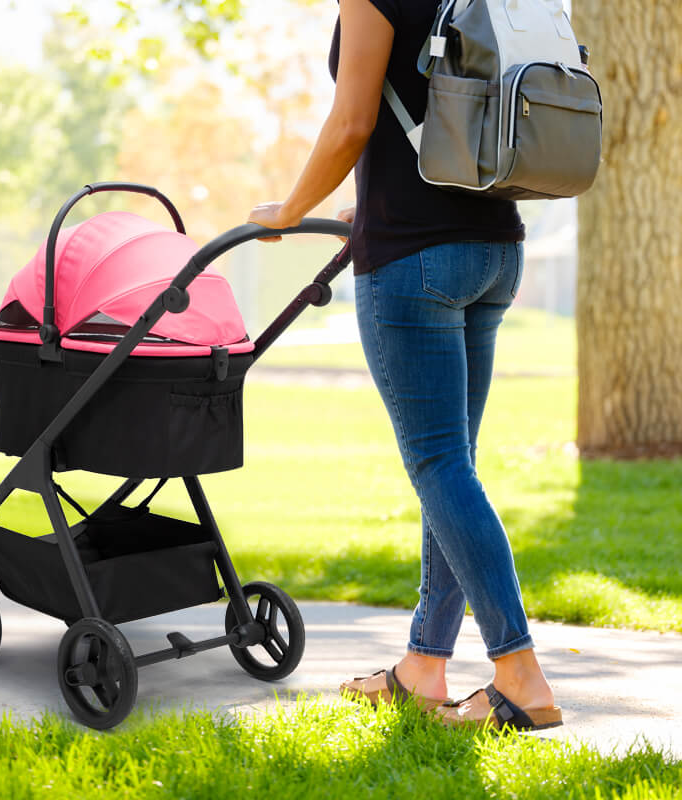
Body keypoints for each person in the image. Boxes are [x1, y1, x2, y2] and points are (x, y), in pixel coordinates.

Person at [246, 0, 562, 731]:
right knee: (454, 466)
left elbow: (353, 123)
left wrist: (291, 209)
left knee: (439, 464)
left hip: (415, 259)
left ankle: (520, 675)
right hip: (493, 246)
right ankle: (424, 666)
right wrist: (371, 204)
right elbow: (426, 117)